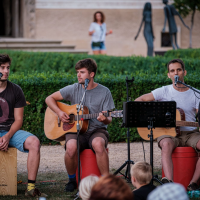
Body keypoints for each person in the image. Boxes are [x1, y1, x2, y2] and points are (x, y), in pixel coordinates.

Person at [45, 58, 115, 192]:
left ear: (92, 74)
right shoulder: (74, 88)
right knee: (71, 147)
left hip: (97, 130)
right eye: (77, 72)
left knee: (98, 144)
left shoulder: (104, 91)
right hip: (75, 130)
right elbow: (49, 99)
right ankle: (72, 180)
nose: (78, 75)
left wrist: (104, 119)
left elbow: (110, 118)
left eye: (82, 72)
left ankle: (106, 181)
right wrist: (60, 112)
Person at [135, 58, 200, 191]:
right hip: (167, 133)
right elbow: (139, 100)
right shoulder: (164, 91)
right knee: (166, 144)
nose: (176, 73)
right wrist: (153, 116)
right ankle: (168, 182)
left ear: (184, 72)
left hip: (190, 133)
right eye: (172, 71)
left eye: (179, 70)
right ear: (168, 74)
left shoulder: (196, 94)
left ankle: (193, 183)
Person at [0, 54, 46, 197]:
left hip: (10, 131)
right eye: (2, 67)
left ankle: (30, 188)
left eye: (8, 67)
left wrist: (7, 136)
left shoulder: (16, 90)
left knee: (34, 142)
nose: (6, 71)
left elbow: (18, 120)